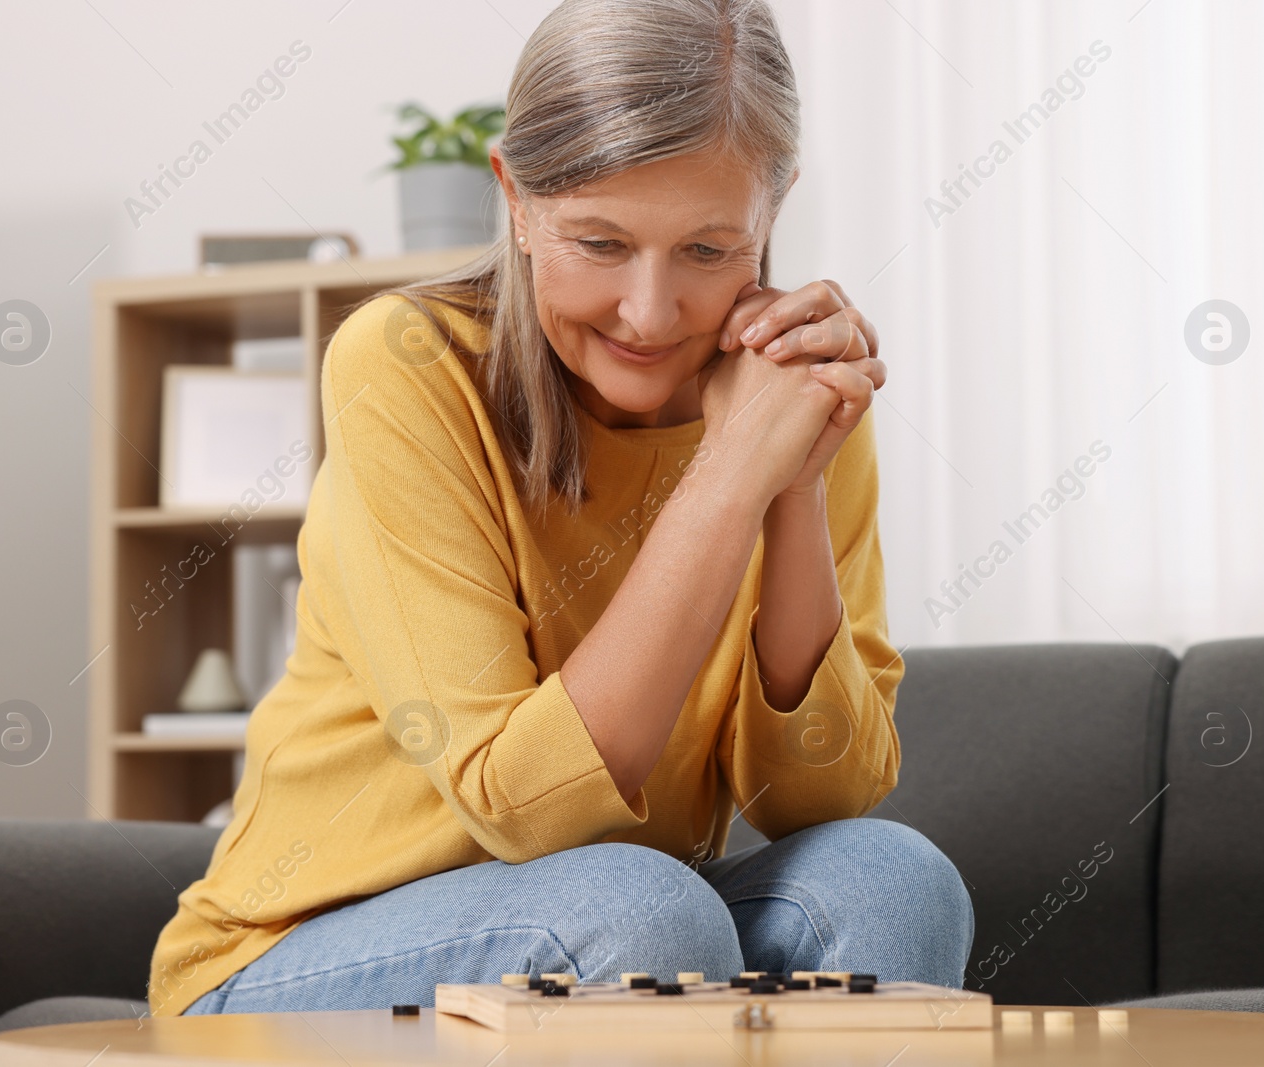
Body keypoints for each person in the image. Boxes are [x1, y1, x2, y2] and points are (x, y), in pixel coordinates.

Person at [149, 0, 973, 1018]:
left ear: (773, 208)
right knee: (635, 913)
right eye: (600, 241)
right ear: (517, 199)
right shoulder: (406, 365)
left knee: (890, 877)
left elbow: (820, 797)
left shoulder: (790, 385)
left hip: (603, 932)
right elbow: (524, 807)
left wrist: (791, 480)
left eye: (709, 251)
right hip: (294, 958)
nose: (650, 311)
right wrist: (728, 473)